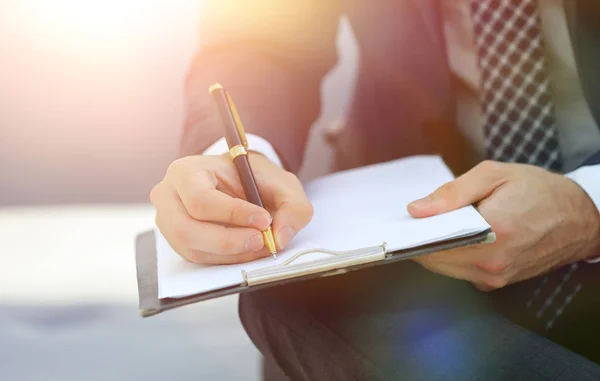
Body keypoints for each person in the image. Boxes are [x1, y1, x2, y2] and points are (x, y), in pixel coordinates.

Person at [149, 1, 600, 379]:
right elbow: (260, 38)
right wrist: (240, 154)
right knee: (284, 299)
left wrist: (589, 208)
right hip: (406, 252)